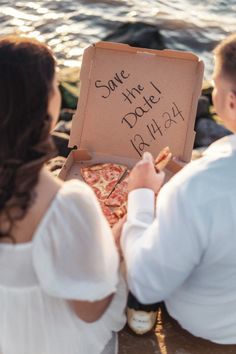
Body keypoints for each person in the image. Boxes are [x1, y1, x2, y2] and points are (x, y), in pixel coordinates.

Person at [0, 36, 126, 354]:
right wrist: (118, 241)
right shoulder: (66, 204)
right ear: (43, 103)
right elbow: (91, 310)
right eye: (55, 85)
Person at [119, 33, 236, 344]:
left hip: (210, 326)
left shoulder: (196, 188)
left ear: (231, 101)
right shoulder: (201, 182)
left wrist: (142, 194)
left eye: (215, 84)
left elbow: (145, 282)